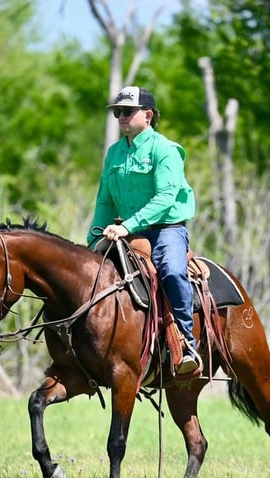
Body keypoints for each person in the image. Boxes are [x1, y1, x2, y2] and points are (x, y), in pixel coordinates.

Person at [86, 86, 202, 377]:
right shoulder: (114, 153)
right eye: (117, 112)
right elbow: (105, 200)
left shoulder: (165, 150)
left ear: (148, 115)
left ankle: (187, 343)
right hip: (123, 231)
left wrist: (126, 226)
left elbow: (165, 197)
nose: (121, 117)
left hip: (166, 230)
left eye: (127, 112)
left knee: (173, 272)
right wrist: (91, 242)